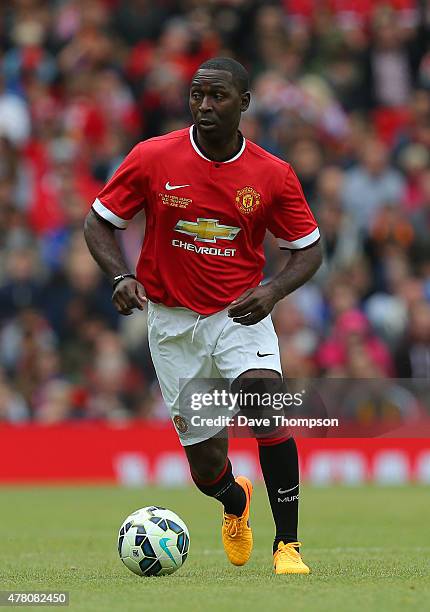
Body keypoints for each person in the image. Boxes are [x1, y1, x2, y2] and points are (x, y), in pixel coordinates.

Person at [84, 57, 322, 575]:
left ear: (244, 104)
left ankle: (288, 547)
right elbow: (99, 223)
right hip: (172, 325)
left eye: (217, 96)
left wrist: (274, 291)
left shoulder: (272, 173)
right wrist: (119, 277)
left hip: (240, 314)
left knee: (264, 404)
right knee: (207, 465)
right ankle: (234, 501)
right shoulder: (152, 157)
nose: (204, 106)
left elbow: (310, 248)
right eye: (196, 95)